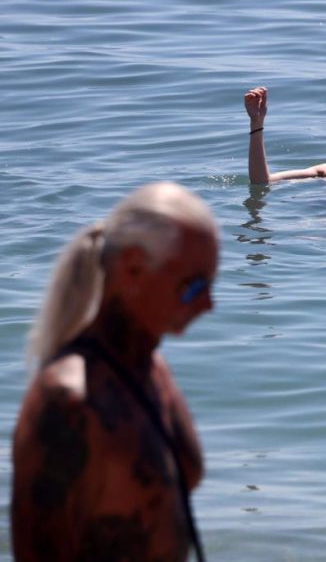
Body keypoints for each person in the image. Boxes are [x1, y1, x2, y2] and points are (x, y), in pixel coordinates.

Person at [11, 182, 218, 562]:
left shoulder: (152, 369)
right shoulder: (67, 401)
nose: (209, 304)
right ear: (134, 268)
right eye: (193, 287)